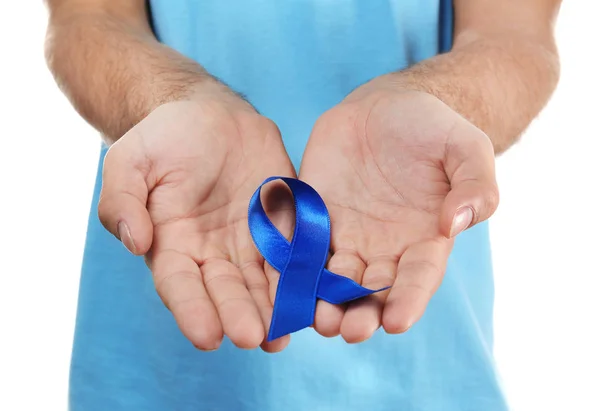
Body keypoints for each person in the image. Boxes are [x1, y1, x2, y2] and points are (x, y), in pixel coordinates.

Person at [44, 0, 561, 410]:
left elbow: (516, 35)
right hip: (158, 339)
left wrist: (443, 98)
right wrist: (165, 99)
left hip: (425, 347)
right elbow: (87, 19)